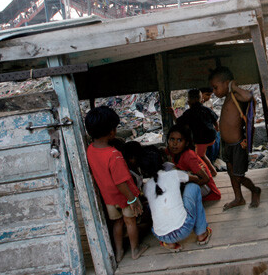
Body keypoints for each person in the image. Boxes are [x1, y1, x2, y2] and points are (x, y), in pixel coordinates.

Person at [85, 106, 148, 262]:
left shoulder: (90, 150)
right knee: (130, 222)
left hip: (109, 200)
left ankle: (118, 252)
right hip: (124, 198)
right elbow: (120, 182)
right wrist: (133, 200)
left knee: (117, 223)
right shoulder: (114, 155)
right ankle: (135, 250)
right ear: (111, 132)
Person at [208, 67, 261, 210]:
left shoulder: (235, 95)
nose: (214, 91)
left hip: (238, 145)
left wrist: (234, 86)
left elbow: (248, 96)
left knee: (238, 176)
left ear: (227, 83)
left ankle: (254, 190)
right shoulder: (227, 98)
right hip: (227, 145)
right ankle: (239, 198)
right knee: (231, 173)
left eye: (215, 87)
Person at [141, 146, 212, 252]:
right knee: (193, 187)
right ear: (163, 160)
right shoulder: (174, 174)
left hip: (161, 235)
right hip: (184, 228)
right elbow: (196, 179)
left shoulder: (146, 187)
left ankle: (170, 244)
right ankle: (202, 234)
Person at [166, 124, 221, 201]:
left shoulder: (189, 156)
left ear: (187, 143)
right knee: (167, 166)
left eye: (179, 140)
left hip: (204, 187)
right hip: (190, 180)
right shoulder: (174, 151)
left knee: (174, 174)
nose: (174, 143)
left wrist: (184, 188)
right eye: (172, 139)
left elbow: (206, 179)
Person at [176, 89, 219, 176]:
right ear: (202, 100)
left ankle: (211, 172)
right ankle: (210, 171)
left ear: (188, 102)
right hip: (212, 136)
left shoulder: (188, 113)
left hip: (201, 139)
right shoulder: (207, 110)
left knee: (199, 156)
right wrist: (217, 130)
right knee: (200, 154)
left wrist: (173, 113)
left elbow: (178, 122)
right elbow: (215, 121)